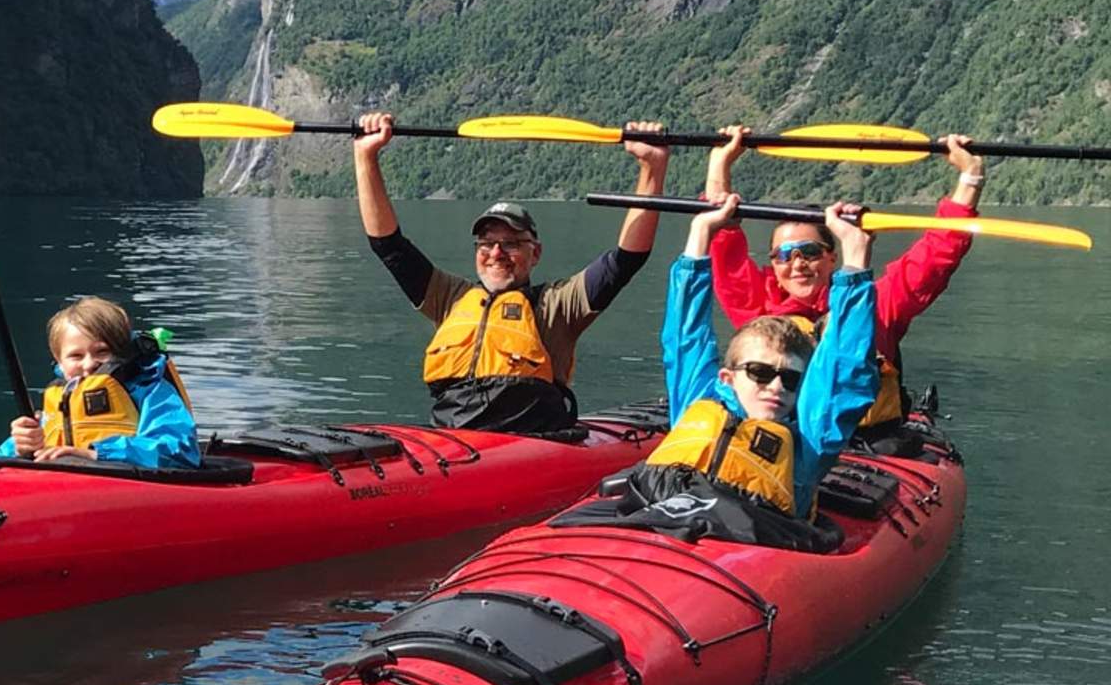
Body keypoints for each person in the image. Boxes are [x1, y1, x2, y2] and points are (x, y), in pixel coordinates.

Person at [554, 194, 880, 550]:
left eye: (790, 380)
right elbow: (685, 337)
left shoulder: (808, 442)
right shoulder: (700, 399)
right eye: (759, 372)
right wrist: (701, 231)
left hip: (749, 544)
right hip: (656, 518)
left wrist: (855, 255)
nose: (776, 386)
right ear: (728, 377)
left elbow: (845, 369)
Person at [353, 112, 669, 434]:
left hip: (526, 442)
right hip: (451, 439)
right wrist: (366, 156)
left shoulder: (557, 305)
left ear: (536, 253)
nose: (496, 254)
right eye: (486, 243)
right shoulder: (448, 297)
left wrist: (651, 169)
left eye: (511, 243)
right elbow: (388, 246)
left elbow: (626, 259)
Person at [704, 126, 986, 451]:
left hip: (867, 446)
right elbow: (721, 241)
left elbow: (937, 254)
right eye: (784, 255)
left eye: (809, 252)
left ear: (831, 257)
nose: (797, 263)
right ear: (773, 265)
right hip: (777, 440)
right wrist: (720, 163)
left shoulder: (877, 306)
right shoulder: (757, 308)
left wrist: (970, 176)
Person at [0, 297, 200, 468]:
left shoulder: (149, 390)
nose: (89, 364)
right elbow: (0, 459)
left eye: (102, 352)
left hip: (130, 492)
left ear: (123, 353)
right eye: (76, 356)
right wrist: (21, 447)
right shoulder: (60, 400)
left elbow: (180, 451)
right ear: (59, 360)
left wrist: (94, 455)